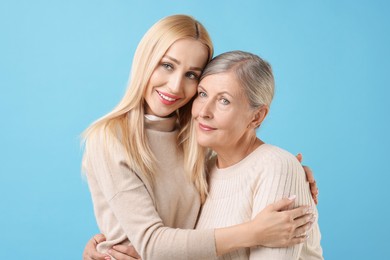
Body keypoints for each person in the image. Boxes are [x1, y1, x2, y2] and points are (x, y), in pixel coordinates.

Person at [82, 14, 318, 260]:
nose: (175, 86)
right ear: (145, 60)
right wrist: (253, 232)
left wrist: (286, 170)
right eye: (168, 65)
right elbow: (151, 243)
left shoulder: (194, 139)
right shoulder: (110, 138)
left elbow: (240, 169)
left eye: (192, 74)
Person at [192, 51, 323, 259]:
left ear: (257, 116)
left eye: (224, 101)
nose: (204, 111)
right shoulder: (202, 169)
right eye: (202, 94)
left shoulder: (277, 167)